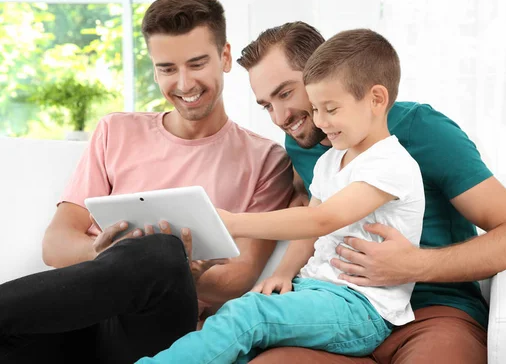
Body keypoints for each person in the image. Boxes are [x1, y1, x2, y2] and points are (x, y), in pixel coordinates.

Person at [0, 0, 294, 364]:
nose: (184, 84)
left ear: (224, 57)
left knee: (163, 249)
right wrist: (105, 254)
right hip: (76, 322)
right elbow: (55, 243)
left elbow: (239, 279)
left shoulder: (266, 160)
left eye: (196, 63)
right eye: (167, 69)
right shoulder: (115, 132)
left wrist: (173, 268)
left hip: (153, 333)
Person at [236, 21, 506, 364]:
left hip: (433, 312)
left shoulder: (422, 128)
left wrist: (415, 265)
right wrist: (283, 272)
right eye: (266, 104)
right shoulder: (303, 144)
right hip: (337, 311)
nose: (280, 117)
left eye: (285, 93)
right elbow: (316, 212)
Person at [138, 29, 426, 364]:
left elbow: (322, 218)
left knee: (250, 314)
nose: (320, 121)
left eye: (330, 109)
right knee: (240, 341)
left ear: (376, 100)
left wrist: (234, 223)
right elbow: (311, 229)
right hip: (317, 290)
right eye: (316, 108)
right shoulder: (332, 159)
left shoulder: (390, 164)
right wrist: (285, 272)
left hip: (361, 308)